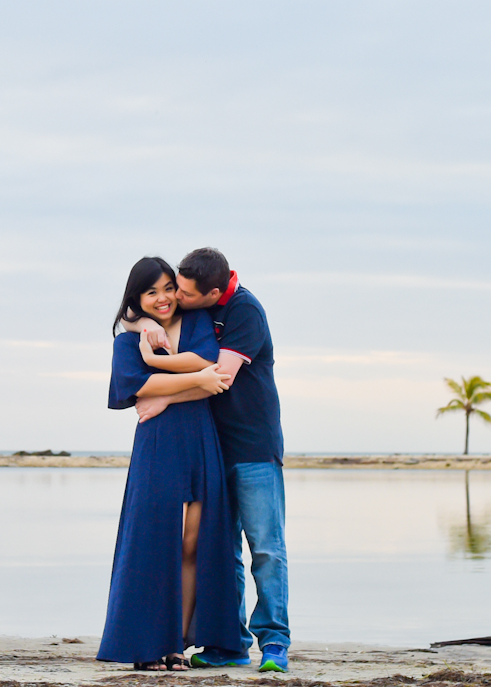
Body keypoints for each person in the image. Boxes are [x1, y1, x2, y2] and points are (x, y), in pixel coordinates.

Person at [133, 247, 289, 673]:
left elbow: (217, 378)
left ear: (213, 292)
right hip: (211, 449)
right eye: (176, 289)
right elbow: (134, 311)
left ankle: (274, 644)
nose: (176, 298)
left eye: (183, 292)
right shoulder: (201, 308)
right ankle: (230, 644)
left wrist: (161, 396)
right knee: (222, 552)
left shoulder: (244, 311)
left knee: (266, 549)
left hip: (253, 447)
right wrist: (147, 323)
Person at [97, 256, 245, 671]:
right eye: (151, 292)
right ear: (137, 298)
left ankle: (177, 644)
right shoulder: (127, 340)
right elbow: (137, 387)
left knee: (193, 543)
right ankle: (148, 646)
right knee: (156, 542)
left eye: (167, 288)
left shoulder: (196, 322)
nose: (163, 298)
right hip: (159, 443)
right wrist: (194, 377)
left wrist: (168, 369)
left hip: (200, 436)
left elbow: (209, 365)